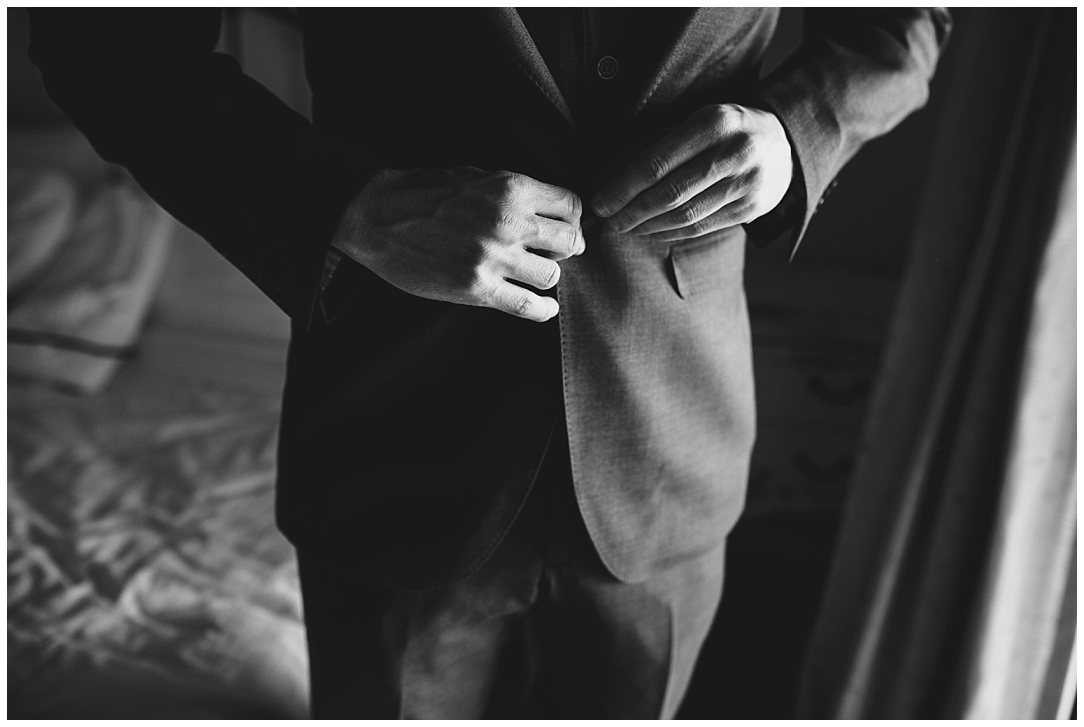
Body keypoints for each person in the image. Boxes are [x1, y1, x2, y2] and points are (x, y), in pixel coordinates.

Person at [29, 8, 951, 718]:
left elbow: (903, 22)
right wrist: (349, 206)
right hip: (394, 444)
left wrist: (793, 133)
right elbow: (100, 43)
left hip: (667, 440)